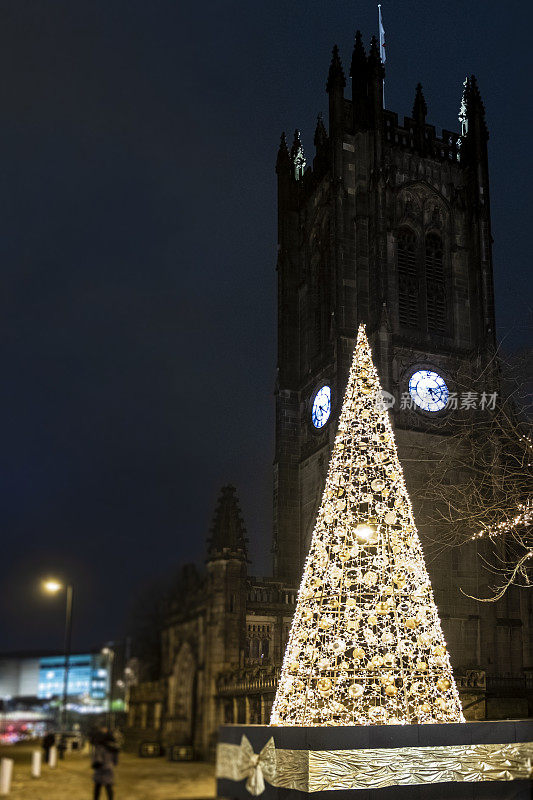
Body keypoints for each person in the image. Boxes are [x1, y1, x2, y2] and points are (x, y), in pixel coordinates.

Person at [91, 726, 119, 800]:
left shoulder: (99, 745)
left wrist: (95, 764)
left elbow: (96, 757)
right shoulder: (113, 746)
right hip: (108, 768)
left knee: (98, 787)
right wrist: (113, 763)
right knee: (108, 786)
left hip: (100, 768)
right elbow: (115, 759)